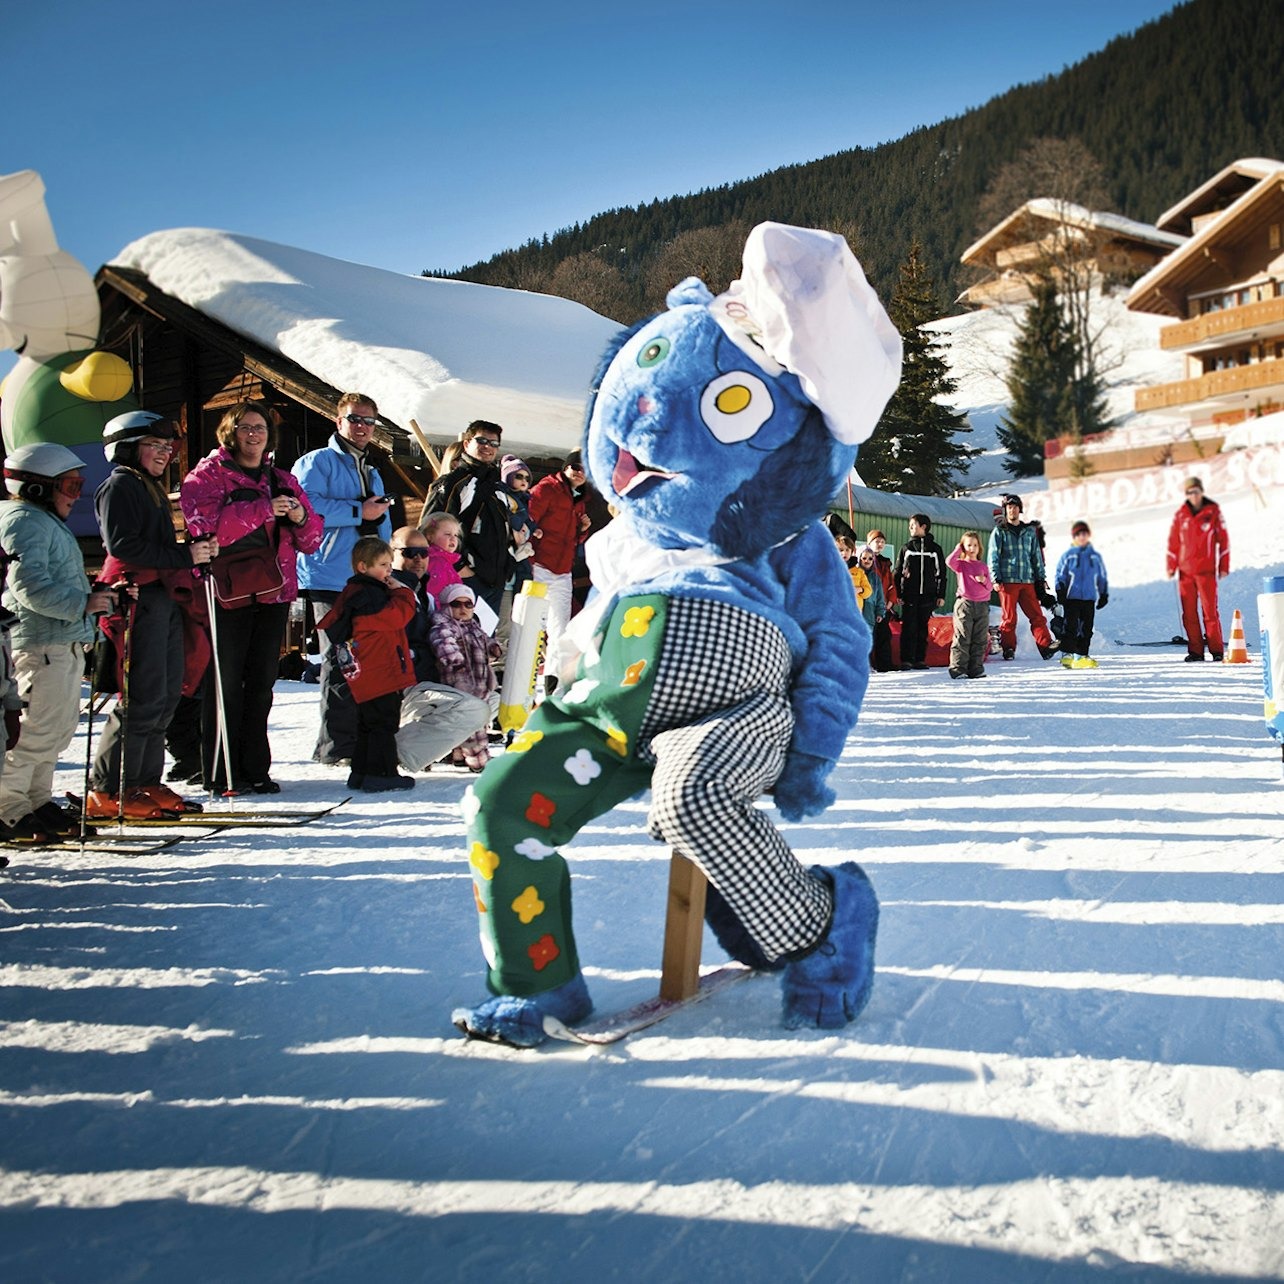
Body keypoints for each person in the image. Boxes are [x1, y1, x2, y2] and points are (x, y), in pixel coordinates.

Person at [180, 401, 322, 792]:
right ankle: (221, 772)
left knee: (261, 684)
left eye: (260, 428)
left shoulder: (283, 479)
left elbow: (312, 542)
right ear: (230, 431)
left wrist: (300, 518)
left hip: (273, 591)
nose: (254, 434)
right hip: (224, 594)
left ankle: (256, 769)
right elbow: (205, 531)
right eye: (245, 427)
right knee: (224, 684)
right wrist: (263, 509)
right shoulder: (205, 477)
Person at [87, 412, 216, 819]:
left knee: (162, 696)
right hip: (137, 599)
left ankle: (142, 780)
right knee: (141, 696)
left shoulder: (147, 487)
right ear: (126, 448)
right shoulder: (121, 485)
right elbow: (123, 546)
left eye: (168, 448)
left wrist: (190, 551)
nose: (164, 454)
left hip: (161, 597)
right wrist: (184, 554)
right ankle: (109, 787)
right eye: (154, 446)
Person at [0, 444, 116, 840]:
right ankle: (9, 808)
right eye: (68, 485)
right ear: (35, 488)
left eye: (78, 485)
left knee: (55, 730)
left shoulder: (40, 519)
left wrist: (90, 595)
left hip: (59, 643)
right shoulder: (23, 520)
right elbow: (29, 586)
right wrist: (83, 602)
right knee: (33, 731)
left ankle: (35, 801)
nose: (75, 494)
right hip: (39, 644)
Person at [293, 392, 393, 766]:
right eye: (355, 419)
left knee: (362, 662)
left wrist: (388, 566)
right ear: (339, 421)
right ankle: (334, 747)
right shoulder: (318, 461)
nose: (363, 427)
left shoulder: (373, 467)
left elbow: (380, 518)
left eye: (369, 421)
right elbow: (303, 505)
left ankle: (353, 741)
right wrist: (357, 510)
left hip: (367, 576)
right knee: (338, 661)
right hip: (330, 574)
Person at [318, 536, 416, 793]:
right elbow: (397, 617)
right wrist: (403, 592)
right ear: (363, 567)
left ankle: (361, 771)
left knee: (368, 722)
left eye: (389, 564)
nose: (389, 571)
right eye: (383, 565)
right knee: (383, 723)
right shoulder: (370, 595)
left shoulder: (356, 593)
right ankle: (382, 773)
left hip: (368, 670)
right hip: (380, 669)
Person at [389, 528, 492, 771]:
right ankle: (396, 753)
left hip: (428, 682)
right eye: (410, 552)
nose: (418, 559)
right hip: (402, 687)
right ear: (392, 553)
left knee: (491, 695)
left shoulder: (426, 594)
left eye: (423, 553)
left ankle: (449, 751)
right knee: (475, 708)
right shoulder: (392, 593)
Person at [420, 420, 512, 618]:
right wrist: (460, 568)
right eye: (482, 441)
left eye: (494, 444)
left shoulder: (498, 486)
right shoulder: (453, 483)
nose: (488, 447)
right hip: (463, 580)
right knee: (457, 642)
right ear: (467, 443)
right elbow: (428, 529)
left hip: (495, 581)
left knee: (483, 643)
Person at [528, 449, 590, 683]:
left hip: (563, 570)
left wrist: (582, 531)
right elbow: (527, 517)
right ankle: (526, 676)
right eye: (576, 467)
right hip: (540, 565)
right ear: (566, 468)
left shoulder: (579, 500)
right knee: (534, 624)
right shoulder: (548, 489)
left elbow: (571, 539)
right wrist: (532, 536)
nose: (579, 473)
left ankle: (552, 679)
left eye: (585, 470)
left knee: (560, 628)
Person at [428, 582, 501, 771]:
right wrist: (455, 661)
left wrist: (493, 647)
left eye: (468, 604)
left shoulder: (473, 626)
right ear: (446, 606)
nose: (463, 609)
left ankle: (459, 755)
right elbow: (443, 642)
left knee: (479, 722)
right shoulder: (444, 625)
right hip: (461, 683)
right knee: (472, 725)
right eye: (456, 604)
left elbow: (486, 639)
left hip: (480, 683)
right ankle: (479, 760)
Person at [988, 493, 1059, 661]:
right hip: (1008, 581)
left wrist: (1040, 579)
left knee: (1037, 616)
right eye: (1009, 508)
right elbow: (993, 556)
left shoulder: (1029, 532)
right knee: (1009, 618)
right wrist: (995, 578)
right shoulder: (1000, 532)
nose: (1012, 510)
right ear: (1005, 511)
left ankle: (1045, 646)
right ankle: (1009, 648)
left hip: (1027, 580)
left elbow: (1036, 557)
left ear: (1020, 510)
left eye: (1015, 507)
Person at [1167, 476, 1229, 662]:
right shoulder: (1181, 514)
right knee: (1189, 614)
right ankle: (1195, 651)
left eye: (1196, 491)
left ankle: (1216, 650)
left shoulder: (1213, 512)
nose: (1193, 495)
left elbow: (1223, 541)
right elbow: (1173, 543)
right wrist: (1171, 565)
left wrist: (1223, 565)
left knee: (1210, 612)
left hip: (1206, 572)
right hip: (1185, 573)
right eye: (1189, 492)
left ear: (1201, 492)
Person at [893, 514, 946, 669]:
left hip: (928, 596)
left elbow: (941, 573)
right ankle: (906, 659)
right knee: (908, 627)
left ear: (923, 527)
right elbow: (897, 572)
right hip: (909, 595)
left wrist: (940, 595)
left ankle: (919, 659)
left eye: (913, 525)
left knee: (922, 628)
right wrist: (898, 593)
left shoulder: (935, 549)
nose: (910, 527)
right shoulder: (907, 548)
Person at [1055, 520, 1109, 670]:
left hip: (1089, 598)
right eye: (1079, 534)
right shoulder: (1068, 556)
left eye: (1084, 534)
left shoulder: (1094, 557)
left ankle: (1081, 655)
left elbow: (1101, 576)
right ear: (1074, 537)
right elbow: (1060, 574)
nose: (1082, 537)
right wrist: (1060, 590)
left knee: (1086, 628)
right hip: (1072, 597)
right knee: (1070, 626)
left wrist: (1103, 593)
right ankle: (1067, 654)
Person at [945, 530, 993, 680]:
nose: (972, 548)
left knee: (980, 638)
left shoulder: (983, 566)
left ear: (979, 548)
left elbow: (990, 586)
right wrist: (958, 548)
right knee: (963, 636)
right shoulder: (961, 565)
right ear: (964, 547)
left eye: (975, 545)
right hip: (965, 603)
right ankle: (958, 668)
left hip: (982, 605)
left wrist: (983, 580)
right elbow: (949, 561)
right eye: (968, 545)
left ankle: (976, 668)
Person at [865, 529, 897, 673]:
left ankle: (885, 664)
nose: (880, 544)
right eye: (877, 541)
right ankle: (866, 663)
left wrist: (891, 600)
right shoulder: (865, 562)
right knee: (869, 634)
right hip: (868, 605)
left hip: (882, 606)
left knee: (884, 634)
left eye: (882, 542)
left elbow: (891, 584)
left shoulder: (885, 563)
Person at [419, 510, 465, 605]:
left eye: (455, 535)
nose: (453, 539)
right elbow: (433, 593)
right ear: (430, 536)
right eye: (448, 534)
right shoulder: (436, 562)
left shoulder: (445, 561)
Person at [855, 545, 886, 661]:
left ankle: (865, 661)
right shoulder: (856, 574)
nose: (867, 561)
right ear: (859, 558)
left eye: (870, 558)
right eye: (864, 558)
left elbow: (880, 597)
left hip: (870, 611)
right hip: (858, 609)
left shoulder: (875, 578)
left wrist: (880, 612)